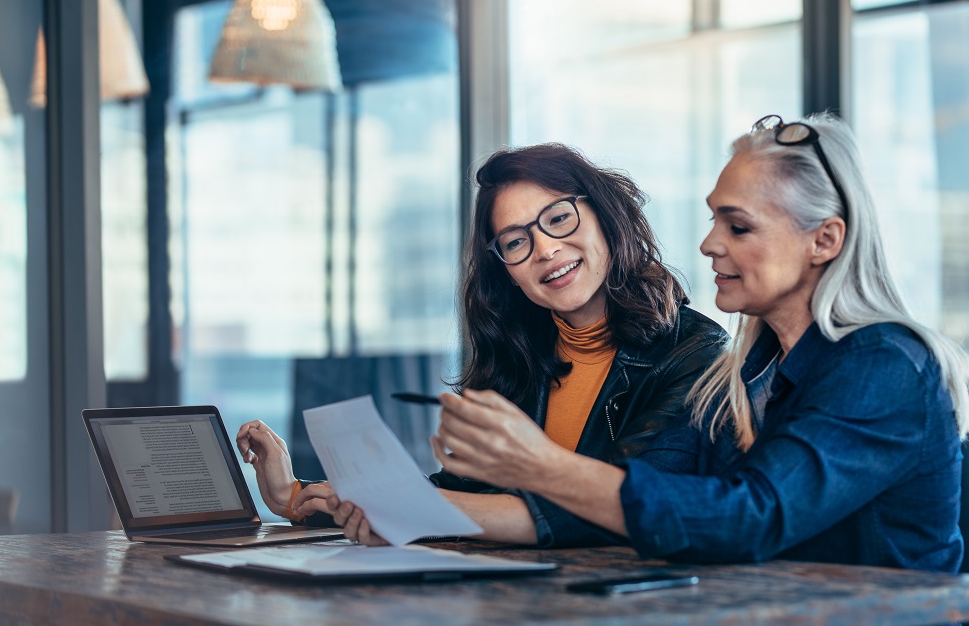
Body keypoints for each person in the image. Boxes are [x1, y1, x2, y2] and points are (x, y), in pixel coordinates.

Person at [402, 113, 969, 572]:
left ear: (824, 240)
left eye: (737, 227)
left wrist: (540, 464)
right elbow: (670, 505)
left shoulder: (884, 363)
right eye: (713, 221)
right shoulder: (749, 371)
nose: (707, 245)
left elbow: (749, 517)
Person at [236, 143, 728, 544]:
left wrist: (409, 510)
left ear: (606, 216)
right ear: (507, 272)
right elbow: (463, 494)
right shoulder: (520, 355)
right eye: (516, 242)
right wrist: (294, 495)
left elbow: (621, 508)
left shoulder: (697, 354)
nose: (545, 249)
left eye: (558, 218)